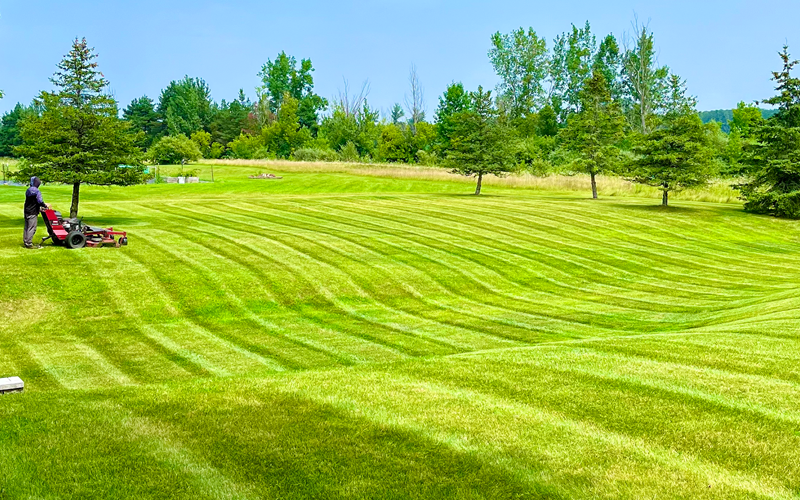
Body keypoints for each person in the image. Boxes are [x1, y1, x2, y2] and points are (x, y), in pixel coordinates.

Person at [24, 176, 51, 249]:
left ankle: (26, 241)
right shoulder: (37, 191)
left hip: (27, 210)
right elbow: (39, 201)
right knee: (32, 227)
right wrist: (45, 205)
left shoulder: (28, 190)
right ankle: (29, 243)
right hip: (33, 212)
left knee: (27, 227)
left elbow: (32, 202)